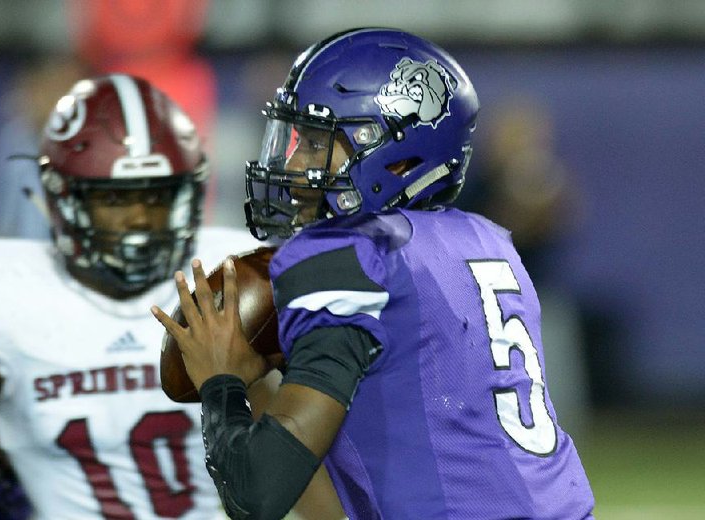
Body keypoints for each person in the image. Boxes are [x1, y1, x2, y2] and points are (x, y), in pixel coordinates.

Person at [153, 28, 596, 519]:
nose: (294, 164)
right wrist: (261, 385)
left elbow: (258, 494)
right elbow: (339, 510)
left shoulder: (347, 252)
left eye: (316, 143)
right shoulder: (487, 240)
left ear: (391, 152)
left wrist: (222, 385)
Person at [0, 74, 263, 519]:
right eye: (114, 197)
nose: (139, 218)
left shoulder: (234, 276)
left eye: (157, 196)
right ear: (64, 197)